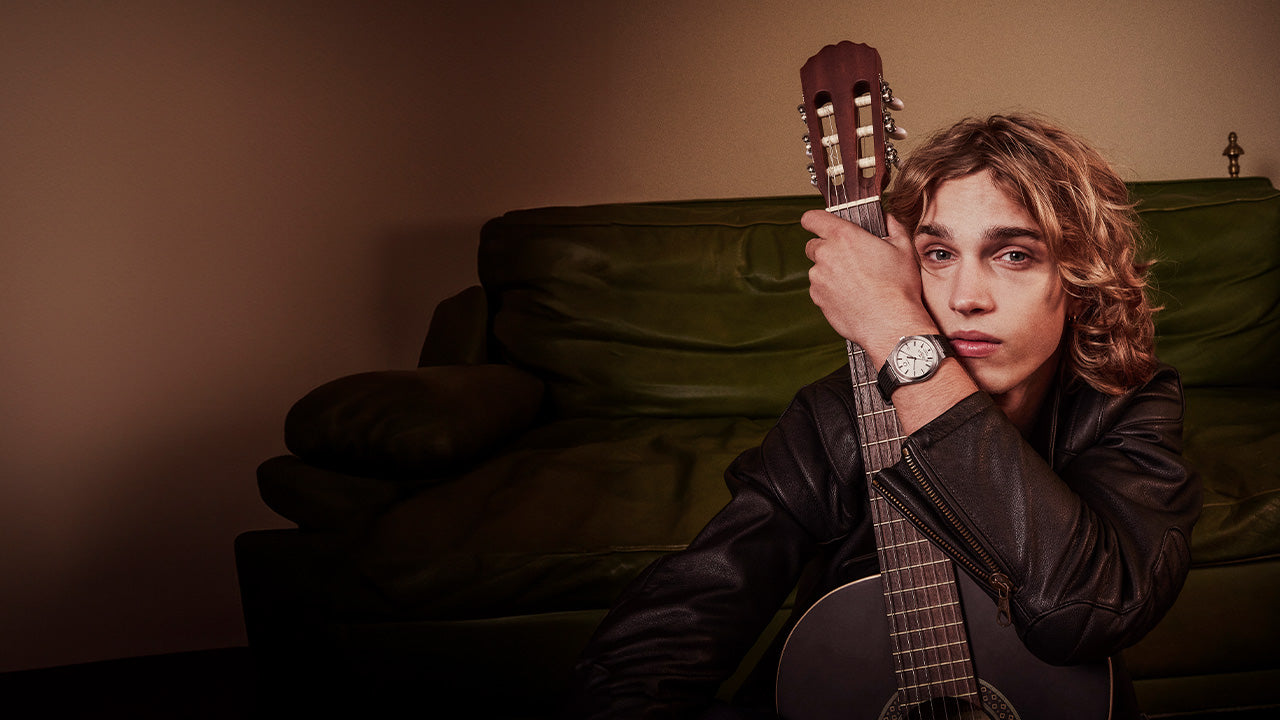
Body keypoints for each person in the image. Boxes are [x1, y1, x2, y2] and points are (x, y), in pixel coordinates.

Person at [562, 114, 1200, 719]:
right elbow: (652, 648)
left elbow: (1084, 611)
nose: (965, 298)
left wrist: (900, 340)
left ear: (1079, 275)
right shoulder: (837, 419)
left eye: (1014, 255)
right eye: (937, 255)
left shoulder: (1127, 406)